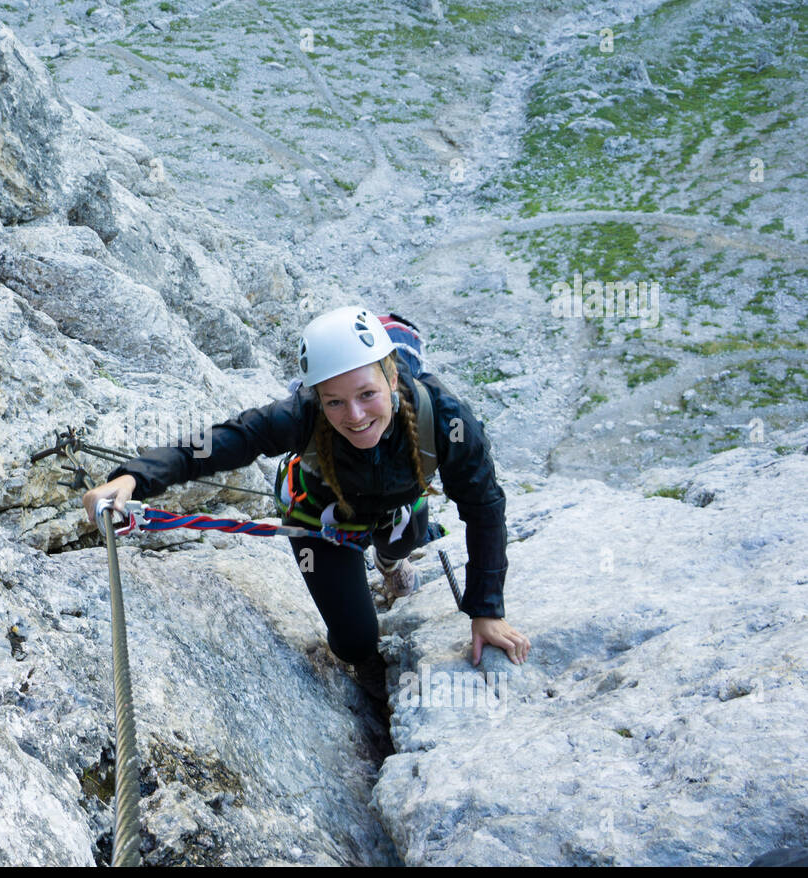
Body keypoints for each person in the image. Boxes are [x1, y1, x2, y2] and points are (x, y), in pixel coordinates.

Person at [81, 305, 530, 742]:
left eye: (367, 395)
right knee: (354, 640)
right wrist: (135, 478)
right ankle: (369, 669)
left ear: (392, 378)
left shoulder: (447, 418)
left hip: (397, 507)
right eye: (335, 401)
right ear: (318, 397)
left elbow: (484, 505)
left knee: (403, 539)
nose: (353, 416)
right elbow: (223, 442)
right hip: (319, 519)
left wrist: (486, 609)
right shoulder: (301, 415)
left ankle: (388, 564)